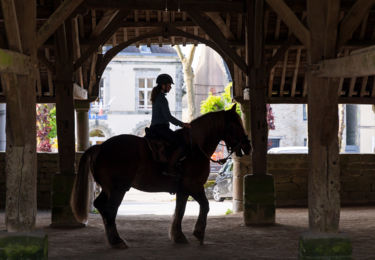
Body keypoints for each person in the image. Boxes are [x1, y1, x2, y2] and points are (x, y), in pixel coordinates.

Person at [150, 73, 191, 176]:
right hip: (161, 128)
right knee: (181, 144)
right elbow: (168, 117)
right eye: (169, 85)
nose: (170, 87)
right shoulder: (162, 99)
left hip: (156, 128)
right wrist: (183, 124)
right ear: (163, 85)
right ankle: (170, 168)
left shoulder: (157, 97)